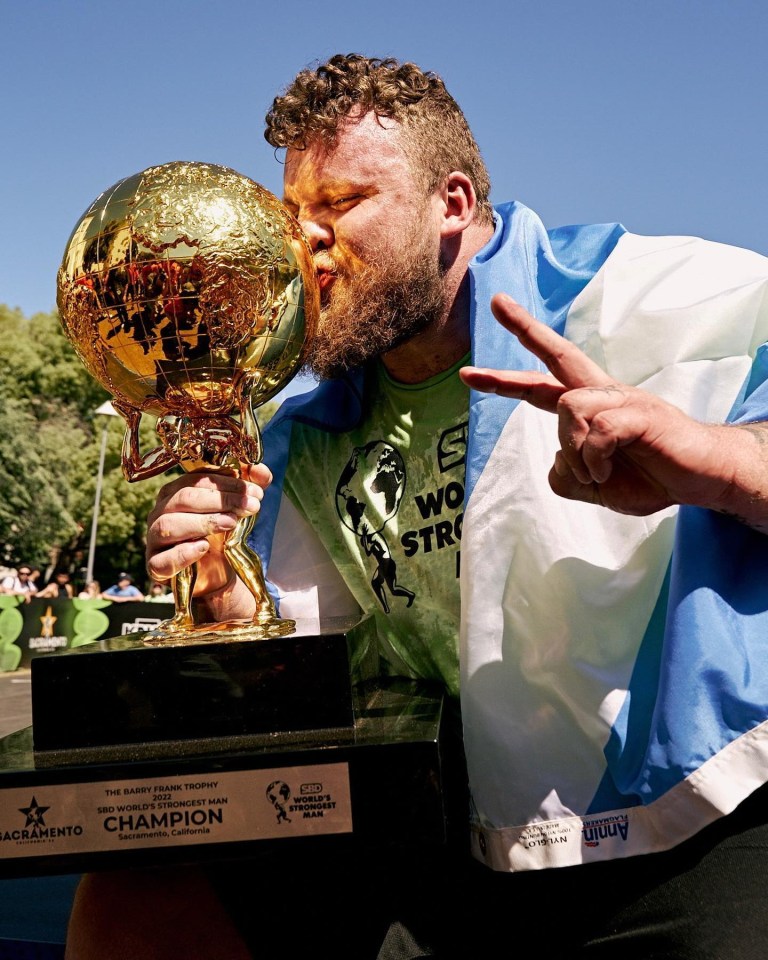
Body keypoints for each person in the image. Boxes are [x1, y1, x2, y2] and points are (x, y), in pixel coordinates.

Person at [66, 54, 768, 959]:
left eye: (343, 201)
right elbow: (334, 661)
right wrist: (235, 612)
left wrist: (720, 459)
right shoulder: (296, 430)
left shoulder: (650, 298)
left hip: (686, 810)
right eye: (295, 214)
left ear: (453, 205)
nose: (307, 241)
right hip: (445, 815)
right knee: (137, 900)